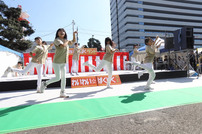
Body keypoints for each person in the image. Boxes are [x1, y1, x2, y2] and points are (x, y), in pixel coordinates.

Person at [40, 28, 77, 98]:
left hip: (63, 62)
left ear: (65, 33)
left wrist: (73, 34)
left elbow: (73, 41)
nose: (62, 32)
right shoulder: (56, 40)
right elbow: (62, 45)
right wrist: (68, 41)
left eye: (63, 31)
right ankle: (45, 83)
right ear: (57, 33)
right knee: (57, 78)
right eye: (60, 31)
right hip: (56, 62)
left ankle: (62, 92)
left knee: (64, 78)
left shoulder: (66, 40)